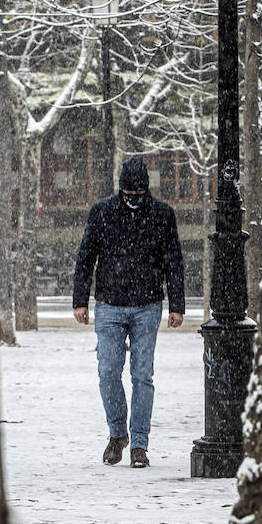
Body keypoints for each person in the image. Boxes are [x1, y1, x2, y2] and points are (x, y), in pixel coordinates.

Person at [72, 155, 185, 468]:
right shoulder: (102, 212)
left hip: (147, 304)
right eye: (128, 195)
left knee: (142, 375)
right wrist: (80, 300)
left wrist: (177, 305)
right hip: (109, 303)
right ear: (120, 190)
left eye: (138, 195)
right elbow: (86, 257)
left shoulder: (163, 214)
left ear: (145, 191)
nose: (133, 200)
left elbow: (173, 262)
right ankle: (117, 433)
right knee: (108, 370)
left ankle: (139, 443)